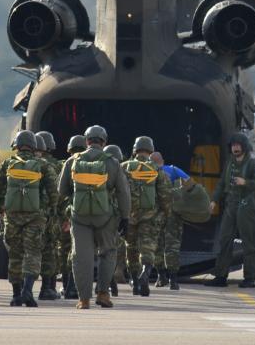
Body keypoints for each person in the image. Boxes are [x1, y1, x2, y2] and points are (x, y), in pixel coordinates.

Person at [57, 125, 130, 310]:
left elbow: (61, 190)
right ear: (104, 142)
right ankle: (104, 294)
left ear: (86, 141)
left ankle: (84, 299)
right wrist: (125, 217)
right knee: (108, 252)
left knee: (81, 256)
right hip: (105, 216)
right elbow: (123, 192)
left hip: (79, 216)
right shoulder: (112, 162)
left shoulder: (72, 161)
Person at [0, 130, 58, 307]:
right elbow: (54, 193)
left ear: (16, 146)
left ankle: (16, 295)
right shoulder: (42, 165)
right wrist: (49, 210)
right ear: (34, 146)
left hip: (11, 217)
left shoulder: (8, 164)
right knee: (32, 253)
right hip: (35, 217)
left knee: (15, 255)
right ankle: (28, 291)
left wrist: (2, 205)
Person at [204, 131, 255, 289]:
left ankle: (249, 278)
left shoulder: (253, 164)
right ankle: (220, 276)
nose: (235, 148)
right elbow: (221, 184)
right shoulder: (229, 164)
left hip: (246, 206)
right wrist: (214, 200)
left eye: (238, 145)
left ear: (244, 147)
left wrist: (246, 182)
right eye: (233, 146)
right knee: (224, 240)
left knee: (248, 242)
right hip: (231, 205)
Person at [121, 136, 171, 297]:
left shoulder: (124, 167)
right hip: (150, 216)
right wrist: (166, 214)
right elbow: (165, 195)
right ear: (150, 150)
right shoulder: (156, 169)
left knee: (131, 248)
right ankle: (145, 273)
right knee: (147, 247)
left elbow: (116, 191)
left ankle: (135, 282)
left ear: (135, 150)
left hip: (129, 215)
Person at [151, 151, 190, 290]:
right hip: (173, 215)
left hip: (155, 214)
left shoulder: (148, 173)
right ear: (163, 160)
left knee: (157, 245)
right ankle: (173, 280)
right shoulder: (174, 170)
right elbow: (190, 184)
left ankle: (161, 277)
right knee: (172, 246)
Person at [35, 131, 62, 300]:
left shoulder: (20, 164)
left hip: (24, 213)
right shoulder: (56, 165)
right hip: (49, 214)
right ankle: (47, 287)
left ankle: (22, 289)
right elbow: (59, 191)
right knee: (49, 250)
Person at [59, 134, 86, 301]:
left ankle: (67, 286)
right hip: (84, 215)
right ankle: (75, 287)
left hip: (66, 215)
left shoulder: (66, 165)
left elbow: (60, 192)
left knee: (64, 251)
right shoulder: (95, 165)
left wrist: (59, 216)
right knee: (80, 251)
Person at [101, 144, 124, 297]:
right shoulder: (121, 172)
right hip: (114, 217)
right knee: (112, 250)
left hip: (98, 213)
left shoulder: (97, 169)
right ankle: (112, 281)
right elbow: (126, 195)